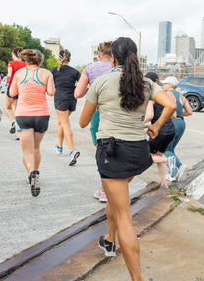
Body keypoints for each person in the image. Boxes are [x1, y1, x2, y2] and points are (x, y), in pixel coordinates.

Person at [79, 37, 176, 281]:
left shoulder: (101, 81)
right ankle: (109, 241)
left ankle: (137, 278)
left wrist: (103, 107)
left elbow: (82, 121)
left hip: (113, 153)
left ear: (113, 58)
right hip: (137, 153)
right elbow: (171, 104)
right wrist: (156, 125)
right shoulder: (145, 83)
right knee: (116, 197)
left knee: (125, 218)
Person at [9, 49, 55, 197]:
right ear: (40, 62)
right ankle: (35, 173)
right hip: (42, 115)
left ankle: (31, 173)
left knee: (27, 151)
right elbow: (51, 92)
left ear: (26, 61)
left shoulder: (19, 74)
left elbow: (11, 93)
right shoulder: (47, 73)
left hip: (23, 114)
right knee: (36, 147)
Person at [74, 41, 112, 202]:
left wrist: (92, 87)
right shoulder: (121, 68)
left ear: (98, 54)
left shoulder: (91, 68)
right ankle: (113, 186)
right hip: (122, 113)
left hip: (99, 111)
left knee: (103, 150)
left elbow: (78, 93)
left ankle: (105, 189)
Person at [144, 72, 177, 188]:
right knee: (159, 157)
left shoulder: (151, 96)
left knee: (145, 156)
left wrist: (139, 124)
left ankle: (169, 160)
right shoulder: (165, 95)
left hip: (159, 131)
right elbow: (174, 115)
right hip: (170, 130)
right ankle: (164, 183)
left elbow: (149, 116)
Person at [51, 49, 81, 165]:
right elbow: (84, 84)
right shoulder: (75, 71)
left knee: (65, 124)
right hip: (72, 101)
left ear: (59, 59)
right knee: (61, 122)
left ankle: (72, 150)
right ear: (70, 59)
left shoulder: (54, 71)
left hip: (60, 100)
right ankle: (59, 146)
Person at [161, 76, 192, 182]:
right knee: (171, 149)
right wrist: (180, 114)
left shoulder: (167, 94)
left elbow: (170, 109)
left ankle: (180, 167)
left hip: (172, 123)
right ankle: (171, 174)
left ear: (170, 85)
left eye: (165, 83)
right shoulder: (181, 96)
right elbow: (189, 112)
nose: (163, 85)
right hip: (182, 123)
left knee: (166, 149)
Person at [6, 47, 26, 136]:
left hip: (12, 87)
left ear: (13, 54)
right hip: (21, 88)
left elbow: (9, 74)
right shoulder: (24, 65)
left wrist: (7, 81)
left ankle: (13, 122)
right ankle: (18, 131)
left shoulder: (11, 63)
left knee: (8, 108)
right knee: (17, 108)